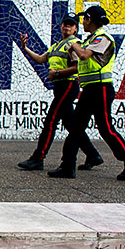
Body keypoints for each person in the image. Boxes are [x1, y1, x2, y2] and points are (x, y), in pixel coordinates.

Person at [47, 5, 125, 181]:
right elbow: (81, 59)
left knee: (106, 129)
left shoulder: (103, 38)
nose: (82, 22)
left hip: (101, 89)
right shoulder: (90, 39)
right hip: (89, 89)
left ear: (89, 19)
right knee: (75, 128)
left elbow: (84, 55)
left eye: (84, 19)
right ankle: (67, 166)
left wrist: (73, 44)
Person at [17, 14, 102, 171]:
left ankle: (38, 158)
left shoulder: (75, 44)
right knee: (72, 125)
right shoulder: (57, 45)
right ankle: (93, 155)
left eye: (71, 24)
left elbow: (77, 67)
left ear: (76, 29)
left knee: (51, 121)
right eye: (65, 24)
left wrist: (57, 73)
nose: (67, 26)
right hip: (60, 87)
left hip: (68, 85)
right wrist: (25, 48)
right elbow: (41, 59)